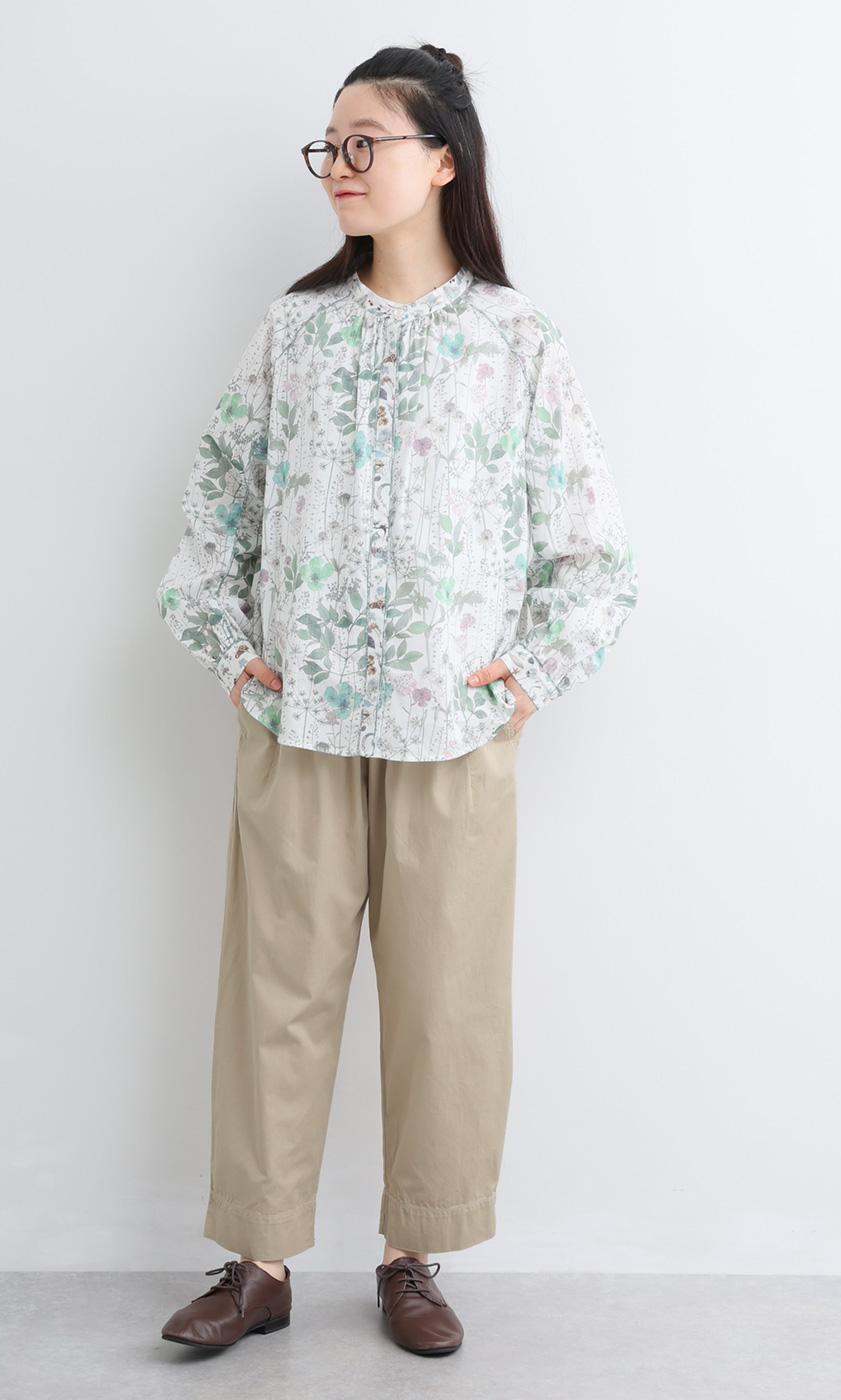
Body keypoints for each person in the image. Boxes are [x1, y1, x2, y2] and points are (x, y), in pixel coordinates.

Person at [154, 42, 639, 1357]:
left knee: (447, 1002)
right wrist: (231, 651)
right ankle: (258, 1263)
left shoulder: (515, 339)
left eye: (365, 142)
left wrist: (529, 676)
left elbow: (595, 553)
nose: (340, 167)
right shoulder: (296, 332)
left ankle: (412, 1255)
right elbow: (213, 509)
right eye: (330, 145)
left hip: (455, 734)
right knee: (274, 995)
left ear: (444, 161)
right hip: (298, 722)